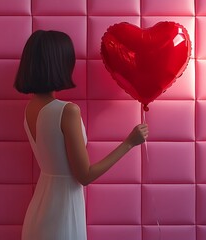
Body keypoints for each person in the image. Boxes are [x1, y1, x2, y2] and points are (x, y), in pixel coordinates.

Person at [14, 30, 148, 240]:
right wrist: (129, 143)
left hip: (39, 210)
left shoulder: (30, 108)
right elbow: (85, 176)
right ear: (59, 64)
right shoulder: (67, 111)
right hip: (63, 212)